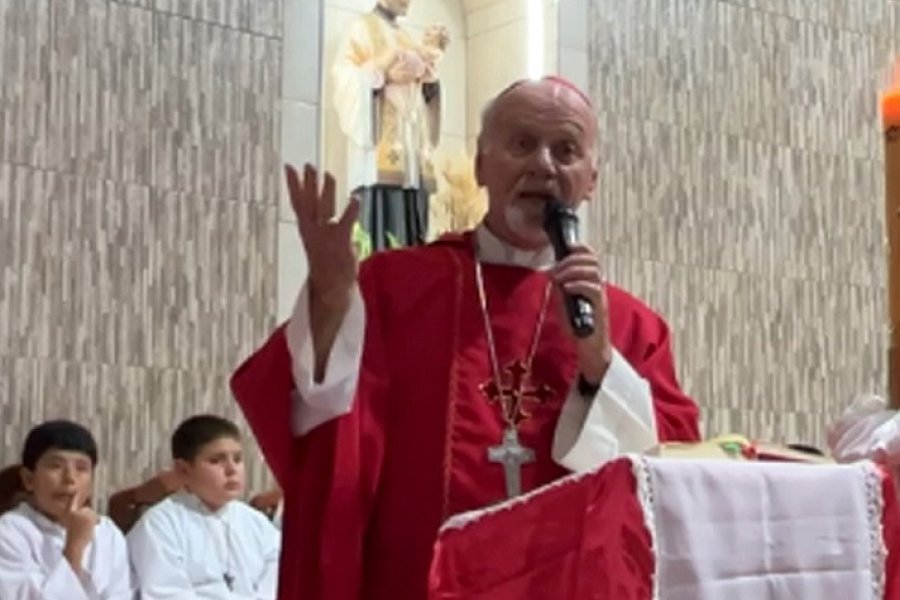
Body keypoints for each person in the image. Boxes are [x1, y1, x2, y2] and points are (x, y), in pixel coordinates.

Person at [232, 76, 702, 599]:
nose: (543, 165)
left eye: (566, 150)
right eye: (522, 143)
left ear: (591, 179)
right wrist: (328, 301)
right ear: (480, 165)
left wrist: (600, 365)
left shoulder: (631, 326)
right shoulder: (394, 288)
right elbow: (327, 435)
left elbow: (672, 478)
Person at [331, 0, 448, 250]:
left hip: (411, 161)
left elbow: (422, 97)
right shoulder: (361, 28)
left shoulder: (407, 39)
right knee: (382, 239)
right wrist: (381, 75)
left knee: (412, 241)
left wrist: (430, 85)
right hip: (379, 161)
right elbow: (344, 79)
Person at [126, 415, 280, 599]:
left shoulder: (256, 523)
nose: (232, 470)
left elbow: (279, 578)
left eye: (238, 459)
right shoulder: (160, 525)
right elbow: (165, 593)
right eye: (216, 460)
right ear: (183, 470)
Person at [0, 420, 132, 600]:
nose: (70, 478)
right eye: (56, 466)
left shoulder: (108, 533)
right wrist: (75, 546)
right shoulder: (9, 532)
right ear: (29, 479)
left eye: (81, 468)